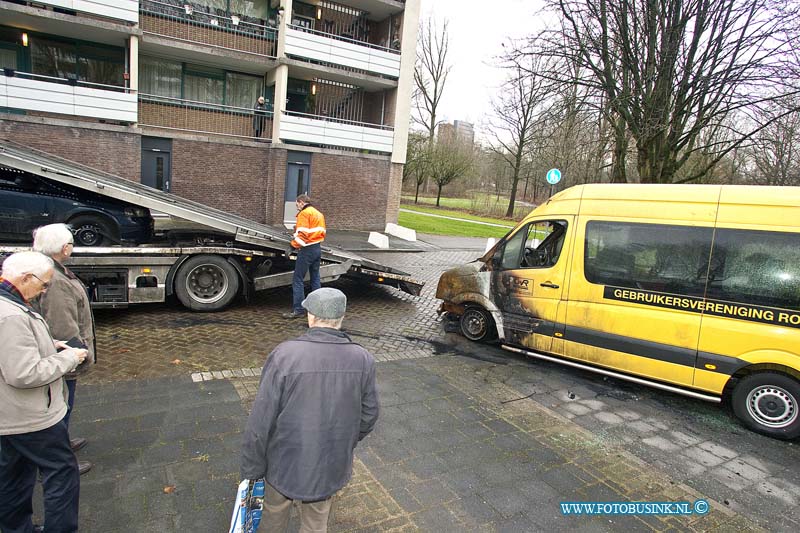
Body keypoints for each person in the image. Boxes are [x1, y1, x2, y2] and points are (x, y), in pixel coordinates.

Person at [241, 288, 379, 533]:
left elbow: (261, 420)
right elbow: (369, 414)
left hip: (283, 463)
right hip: (329, 465)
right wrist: (344, 440)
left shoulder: (285, 355)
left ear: (310, 316)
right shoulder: (363, 358)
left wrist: (252, 468)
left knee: (273, 516)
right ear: (341, 318)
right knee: (316, 522)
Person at [0, 251, 88, 533]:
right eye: (43, 284)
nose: (44, 289)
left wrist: (50, 344)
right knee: (62, 472)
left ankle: (17, 529)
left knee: (15, 476)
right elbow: (23, 373)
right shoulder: (11, 316)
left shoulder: (8, 305)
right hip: (29, 416)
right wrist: (69, 358)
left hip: (9, 417)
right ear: (26, 278)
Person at [32, 223, 96, 476]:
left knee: (61, 403)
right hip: (62, 357)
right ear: (64, 248)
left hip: (57, 354)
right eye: (70, 243)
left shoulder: (51, 270)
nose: (71, 247)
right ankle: (57, 460)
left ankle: (60, 444)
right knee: (60, 404)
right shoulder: (55, 279)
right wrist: (76, 355)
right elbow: (62, 323)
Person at [282, 194, 326, 319]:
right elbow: (321, 233)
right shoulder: (318, 214)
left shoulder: (304, 214)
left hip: (307, 250)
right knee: (315, 278)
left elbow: (302, 236)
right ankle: (317, 308)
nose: (297, 207)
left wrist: (292, 246)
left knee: (298, 279)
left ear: (301, 202)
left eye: (297, 204)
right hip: (317, 248)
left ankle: (298, 310)